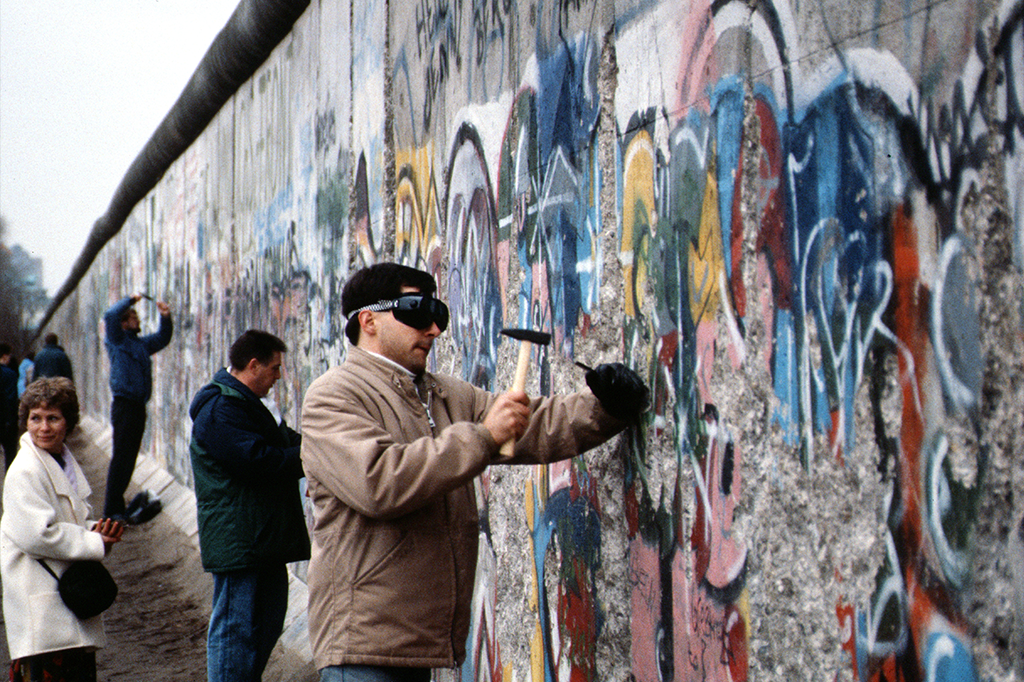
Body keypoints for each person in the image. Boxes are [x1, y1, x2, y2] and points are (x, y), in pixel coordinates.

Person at [300, 263, 649, 681]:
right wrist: (483, 436)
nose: (433, 328)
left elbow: (531, 424)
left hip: (411, 644)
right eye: (416, 311)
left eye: (439, 314)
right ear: (368, 320)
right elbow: (379, 482)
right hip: (361, 647)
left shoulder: (445, 394)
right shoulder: (333, 397)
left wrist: (604, 407)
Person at [189, 329, 310, 682]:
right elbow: (257, 460)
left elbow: (287, 442)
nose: (278, 377)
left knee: (265, 625)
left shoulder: (249, 405)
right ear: (253, 365)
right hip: (240, 541)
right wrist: (314, 456)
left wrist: (325, 448)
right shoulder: (221, 408)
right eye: (274, 368)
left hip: (262, 538)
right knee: (235, 632)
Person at [1, 377, 125, 681]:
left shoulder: (59, 461)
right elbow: (37, 534)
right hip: (41, 608)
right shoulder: (25, 470)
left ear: (67, 423)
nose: (43, 427)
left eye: (53, 418)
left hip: (57, 603)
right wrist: (93, 541)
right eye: (35, 418)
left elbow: (64, 520)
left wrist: (96, 530)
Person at [102, 293, 173, 523]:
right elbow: (110, 314)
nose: (138, 321)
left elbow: (163, 338)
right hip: (124, 405)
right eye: (134, 317)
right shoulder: (117, 339)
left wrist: (165, 317)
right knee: (121, 457)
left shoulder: (140, 344)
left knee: (129, 457)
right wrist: (130, 300)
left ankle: (117, 506)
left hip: (137, 407)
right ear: (124, 322)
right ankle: (111, 509)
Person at [0, 343, 19, 469]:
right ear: (4, 356)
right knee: (10, 453)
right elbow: (11, 398)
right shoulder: (10, 374)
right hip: (6, 419)